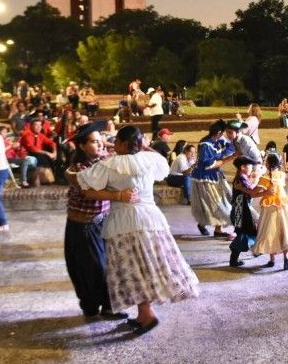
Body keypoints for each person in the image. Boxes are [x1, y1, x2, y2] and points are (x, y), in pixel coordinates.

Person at [71, 125, 200, 335]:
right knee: (149, 265)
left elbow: (86, 189)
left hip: (124, 221)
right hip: (151, 219)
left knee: (133, 269)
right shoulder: (149, 160)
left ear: (120, 143)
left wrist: (116, 195)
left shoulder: (109, 164)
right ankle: (143, 314)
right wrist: (145, 148)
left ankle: (146, 315)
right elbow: (163, 168)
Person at [63, 122, 130, 320]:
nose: (100, 145)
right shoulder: (79, 168)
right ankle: (95, 306)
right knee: (91, 268)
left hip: (101, 222)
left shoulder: (103, 161)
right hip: (83, 225)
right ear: (82, 146)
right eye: (94, 142)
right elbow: (88, 193)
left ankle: (102, 306)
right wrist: (118, 195)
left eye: (101, 141)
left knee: (105, 266)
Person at [252, 152, 288, 270]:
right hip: (283, 206)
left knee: (270, 232)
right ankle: (286, 258)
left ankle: (272, 260)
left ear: (268, 163)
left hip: (270, 208)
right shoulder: (282, 175)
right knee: (284, 231)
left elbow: (254, 193)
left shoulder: (265, 177)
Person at [190, 120, 235, 237]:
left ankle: (217, 229)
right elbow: (208, 164)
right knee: (213, 202)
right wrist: (230, 158)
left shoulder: (218, 141)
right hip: (205, 177)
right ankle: (203, 222)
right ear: (219, 132)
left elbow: (230, 148)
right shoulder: (205, 144)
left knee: (222, 200)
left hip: (215, 175)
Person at [228, 156, 262, 268]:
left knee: (248, 230)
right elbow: (251, 191)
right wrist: (257, 178)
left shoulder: (242, 177)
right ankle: (234, 260)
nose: (251, 168)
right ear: (243, 167)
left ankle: (255, 250)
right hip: (241, 210)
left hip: (242, 208)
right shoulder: (241, 179)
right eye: (249, 166)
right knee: (244, 232)